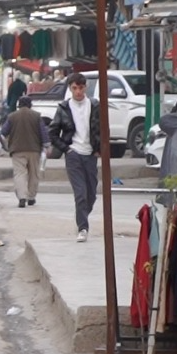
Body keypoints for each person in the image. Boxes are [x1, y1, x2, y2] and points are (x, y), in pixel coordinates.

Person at [50, 72, 101, 242]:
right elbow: (53, 132)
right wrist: (66, 149)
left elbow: (102, 129)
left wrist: (99, 148)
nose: (78, 91)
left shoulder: (94, 105)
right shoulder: (64, 108)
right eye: (74, 88)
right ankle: (83, 227)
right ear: (70, 89)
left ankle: (82, 216)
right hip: (73, 155)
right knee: (80, 193)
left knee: (91, 194)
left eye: (81, 88)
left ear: (85, 87)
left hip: (90, 155)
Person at [1, 96, 49, 208]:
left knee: (19, 173)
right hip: (34, 150)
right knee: (34, 174)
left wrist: (6, 145)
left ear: (19, 105)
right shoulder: (36, 116)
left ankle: (22, 197)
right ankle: (31, 197)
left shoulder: (12, 116)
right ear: (30, 105)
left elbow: (3, 133)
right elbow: (43, 133)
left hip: (17, 150)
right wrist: (46, 145)